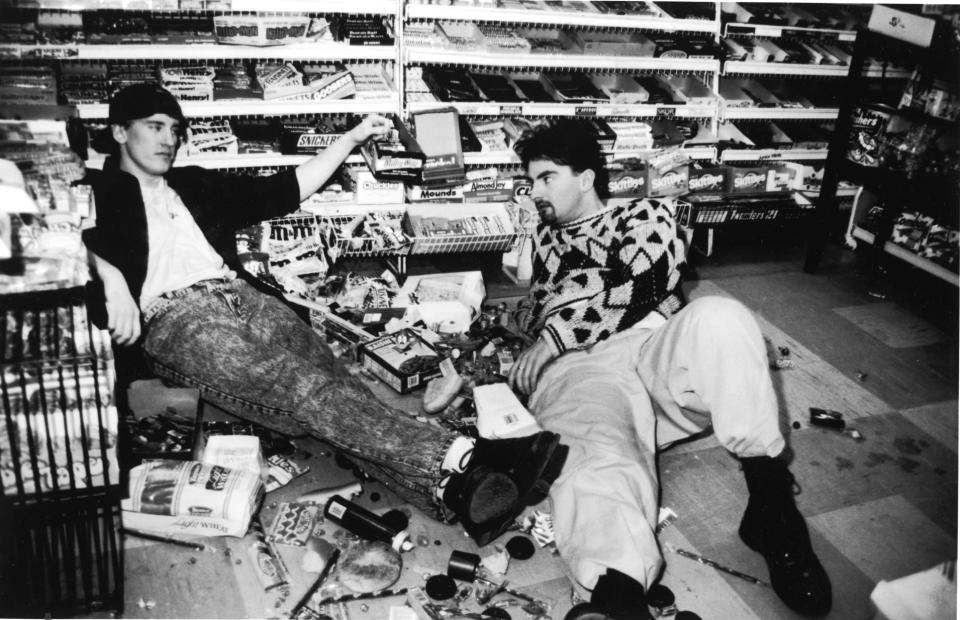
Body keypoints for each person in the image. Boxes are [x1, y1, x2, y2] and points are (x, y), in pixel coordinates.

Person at [80, 82, 568, 545]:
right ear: (120, 131)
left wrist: (352, 139)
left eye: (175, 128)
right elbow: (56, 238)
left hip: (241, 297)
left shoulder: (191, 184)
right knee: (297, 386)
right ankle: (465, 456)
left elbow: (285, 189)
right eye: (155, 126)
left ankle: (455, 496)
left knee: (336, 383)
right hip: (177, 318)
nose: (170, 139)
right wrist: (112, 276)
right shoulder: (95, 192)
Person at [508, 120, 832, 619]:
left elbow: (648, 279)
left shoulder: (646, 214)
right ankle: (616, 596)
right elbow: (537, 309)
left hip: (654, 349)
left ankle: (772, 510)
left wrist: (554, 334)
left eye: (546, 177)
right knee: (596, 453)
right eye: (531, 182)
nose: (535, 193)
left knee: (720, 317)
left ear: (587, 177)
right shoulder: (542, 242)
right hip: (586, 371)